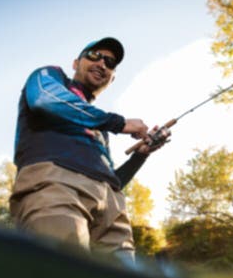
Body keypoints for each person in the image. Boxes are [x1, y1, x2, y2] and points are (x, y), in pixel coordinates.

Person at [9, 37, 169, 260]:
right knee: (64, 276)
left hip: (113, 207)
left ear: (112, 79)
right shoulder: (51, 76)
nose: (102, 64)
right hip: (57, 185)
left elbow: (113, 180)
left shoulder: (100, 128)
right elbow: (44, 99)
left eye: (110, 63)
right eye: (94, 56)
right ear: (76, 63)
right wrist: (119, 123)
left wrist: (140, 156)